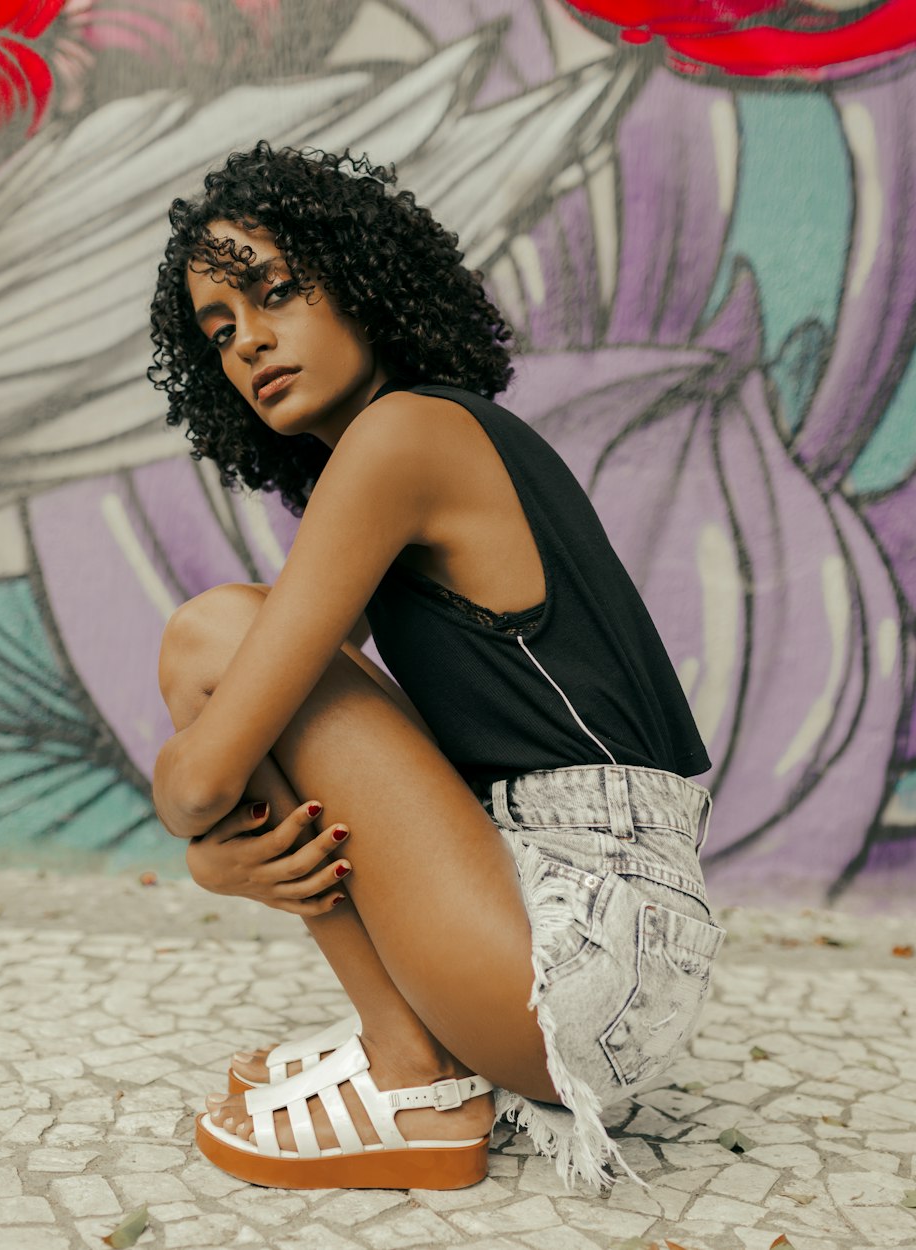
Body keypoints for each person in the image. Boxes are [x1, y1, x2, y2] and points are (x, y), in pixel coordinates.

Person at [147, 141, 725, 1193]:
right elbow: (320, 730)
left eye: (275, 291)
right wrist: (221, 831)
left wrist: (196, 835)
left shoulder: (401, 440)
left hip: (577, 953)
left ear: (367, 281)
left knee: (212, 633)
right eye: (220, 331)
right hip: (620, 940)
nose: (250, 343)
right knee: (251, 641)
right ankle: (421, 1049)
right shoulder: (438, 440)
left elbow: (205, 775)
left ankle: (413, 1071)